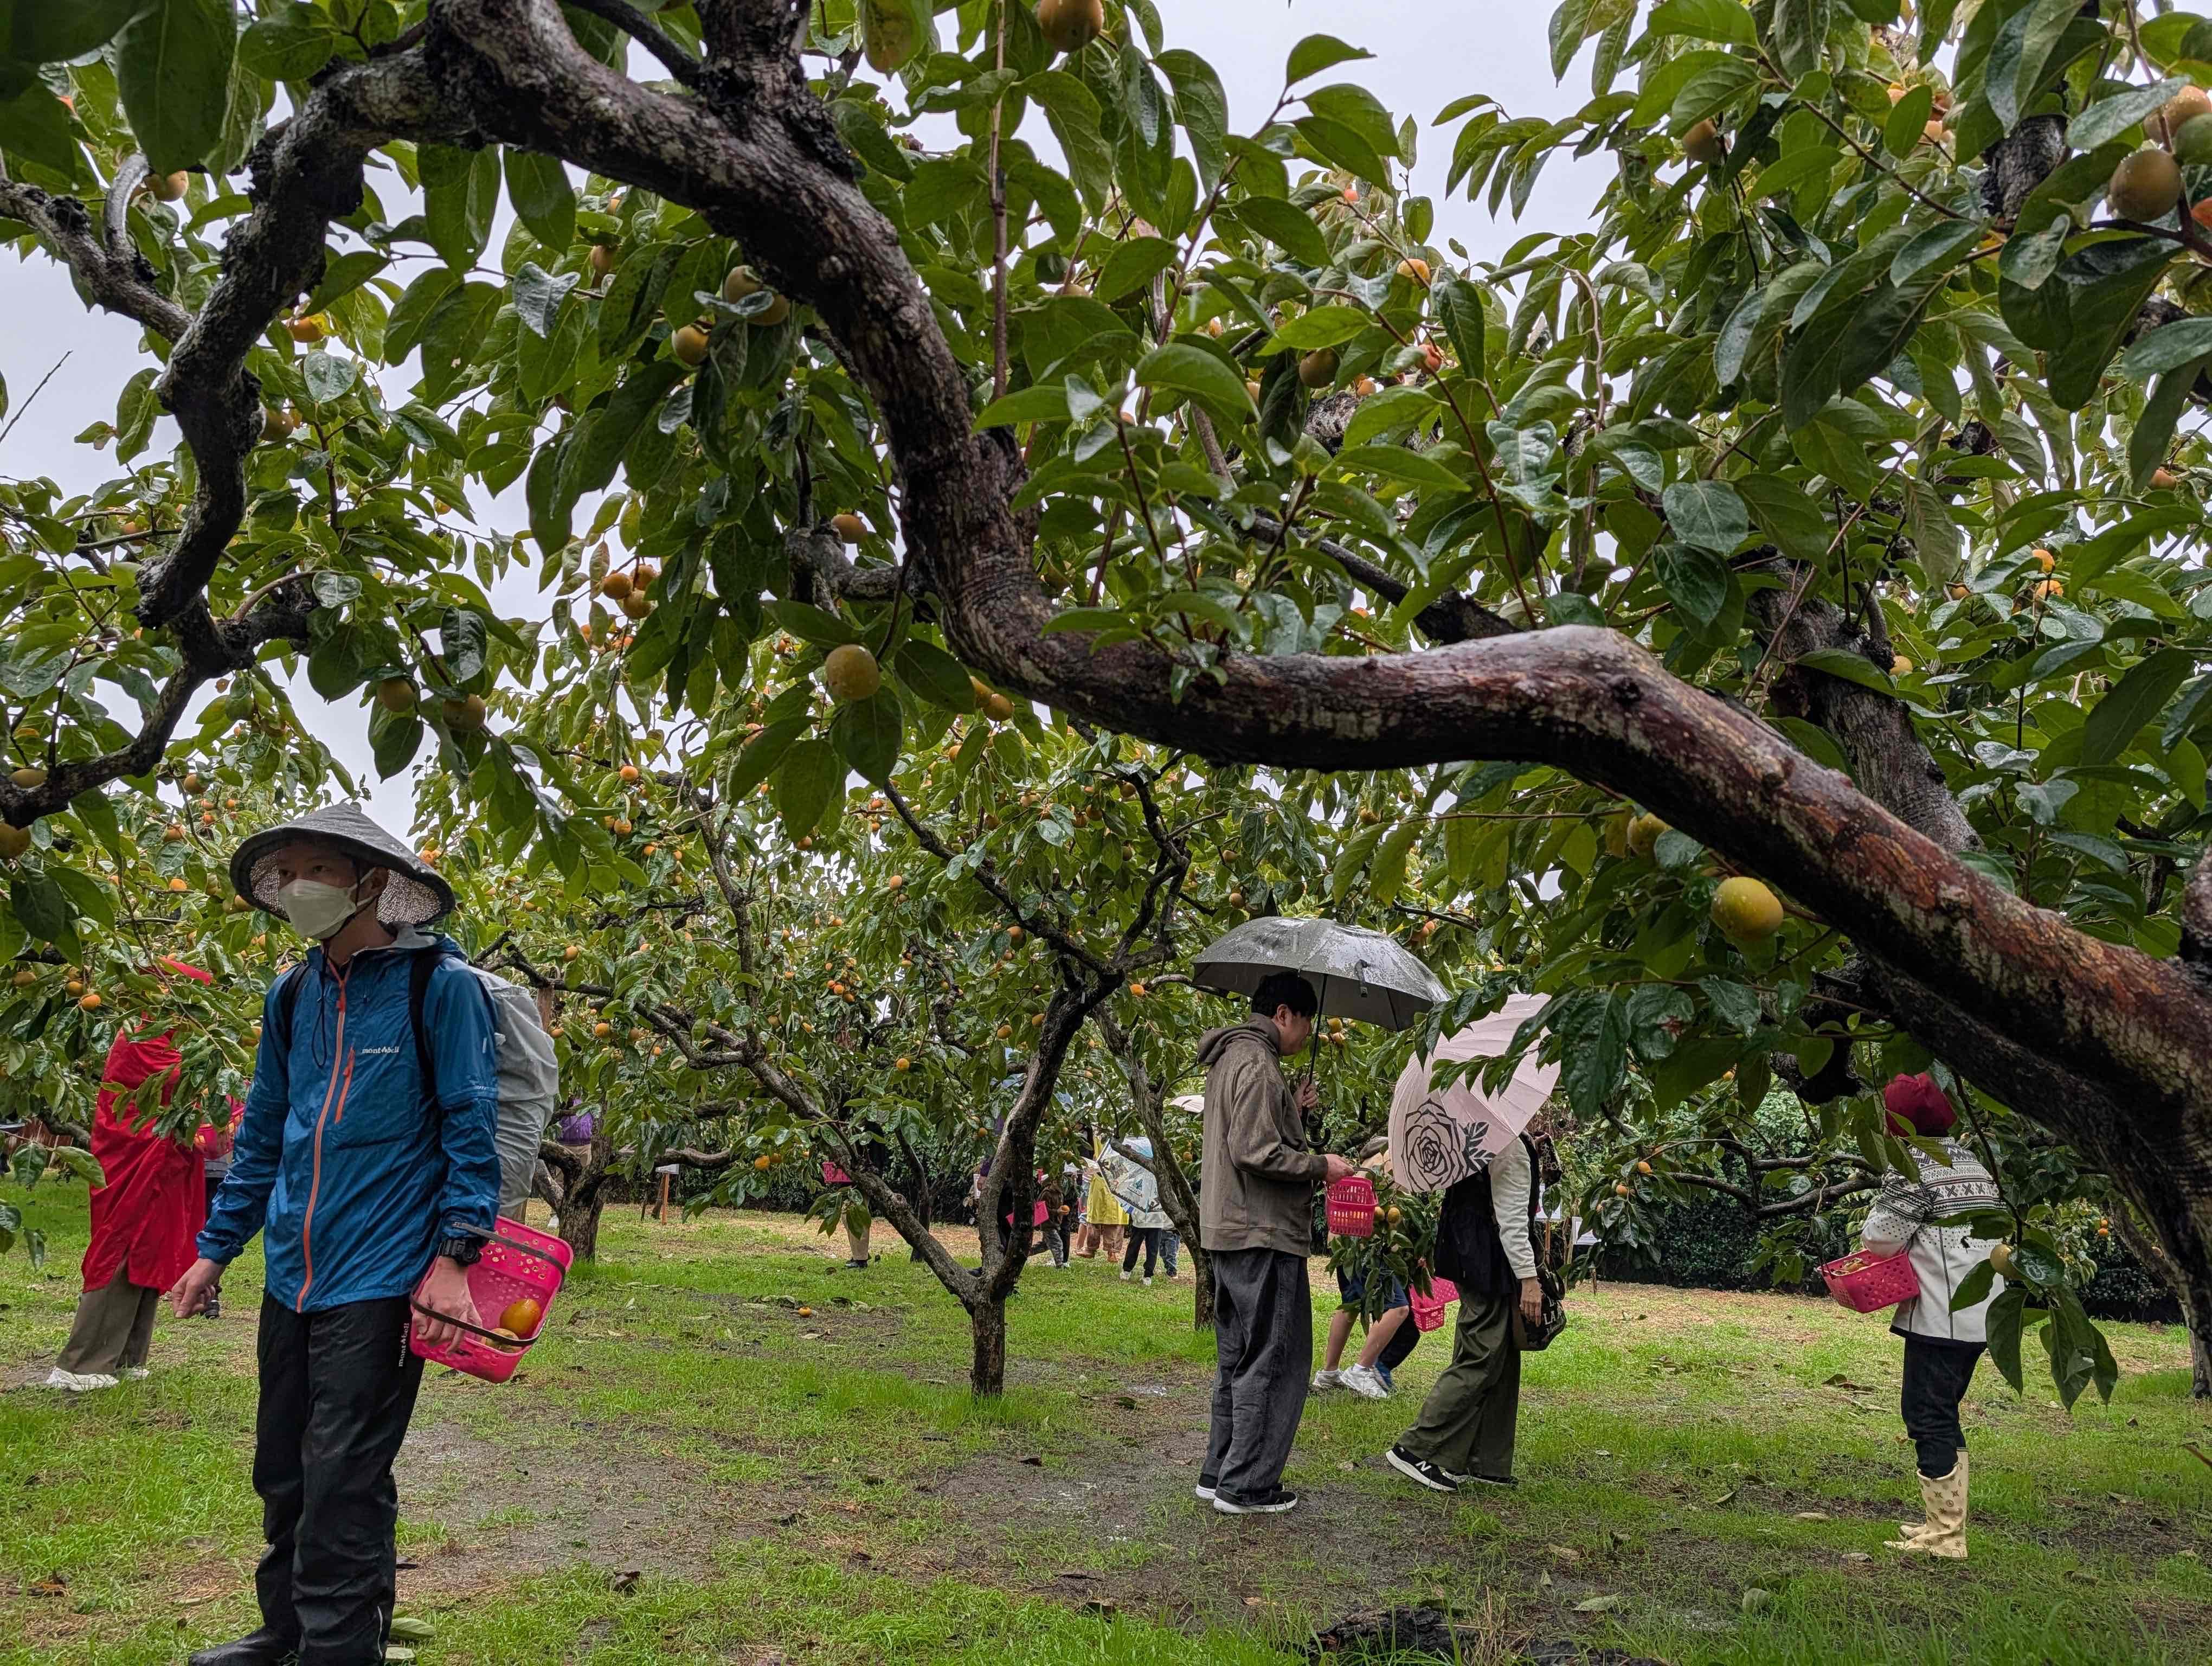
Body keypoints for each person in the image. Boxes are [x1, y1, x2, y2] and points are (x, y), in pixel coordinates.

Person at [169, 805, 499, 1666]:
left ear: (372, 883)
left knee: (343, 1479)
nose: (301, 887)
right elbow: (269, 1128)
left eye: (318, 867)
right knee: (282, 1469)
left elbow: (472, 1123)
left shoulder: (441, 990)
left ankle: (339, 1648)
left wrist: (456, 1257)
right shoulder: (294, 993)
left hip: (383, 1276)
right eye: (292, 872)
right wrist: (215, 1249)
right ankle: (287, 1635)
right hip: (294, 1273)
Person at [1195, 971, 1353, 1515]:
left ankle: (1219, 1471)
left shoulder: (1233, 1059)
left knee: (1238, 1358)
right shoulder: (1258, 1063)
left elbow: (1248, 1133)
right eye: (1307, 1023)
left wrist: (1293, 1107)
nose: (1308, 1035)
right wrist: (1321, 1166)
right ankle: (1249, 1484)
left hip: (1230, 1229)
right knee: (1275, 1358)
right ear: (1285, 1014)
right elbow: (1255, 1152)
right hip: (1261, 1232)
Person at [46, 960, 224, 1392]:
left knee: (153, 1249)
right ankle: (82, 1364)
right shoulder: (144, 1037)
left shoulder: (174, 1037)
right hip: (137, 1158)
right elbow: (172, 1086)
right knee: (123, 1247)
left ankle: (128, 1356)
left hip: (165, 1160)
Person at [1862, 1072, 2004, 1561]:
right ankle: (1940, 1523)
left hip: (1943, 1314)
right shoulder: (1971, 1161)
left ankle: (1947, 1535)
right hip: (1982, 1311)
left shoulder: (1913, 1167)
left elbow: (1880, 1239)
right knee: (1941, 1411)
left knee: (1928, 1414)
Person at [1385, 1127, 1542, 1494]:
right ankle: (1416, 1449)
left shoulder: (1473, 1137)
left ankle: (1485, 1460)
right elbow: (1513, 1223)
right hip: (1490, 1265)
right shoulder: (1509, 1147)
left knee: (1500, 1359)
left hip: (1471, 1258)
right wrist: (1530, 1280)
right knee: (1479, 1357)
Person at [1314, 1139, 1412, 1400]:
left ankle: (1328, 1373)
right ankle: (1361, 1369)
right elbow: (1394, 1212)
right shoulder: (1397, 1159)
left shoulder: (1374, 1158)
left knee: (1350, 1306)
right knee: (1399, 1307)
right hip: (1366, 1243)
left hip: (1343, 1242)